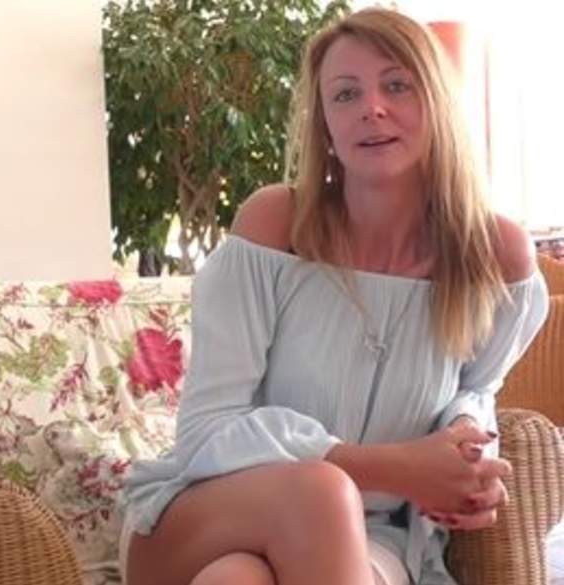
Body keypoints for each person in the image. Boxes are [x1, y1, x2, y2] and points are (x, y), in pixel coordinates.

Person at [118, 7, 550, 585]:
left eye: (396, 85)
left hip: (376, 539)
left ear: (438, 103)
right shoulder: (276, 227)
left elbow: (476, 390)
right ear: (325, 124)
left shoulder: (495, 256)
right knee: (321, 492)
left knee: (236, 580)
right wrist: (398, 468)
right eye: (345, 94)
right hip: (207, 512)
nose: (372, 107)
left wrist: (466, 457)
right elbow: (206, 431)